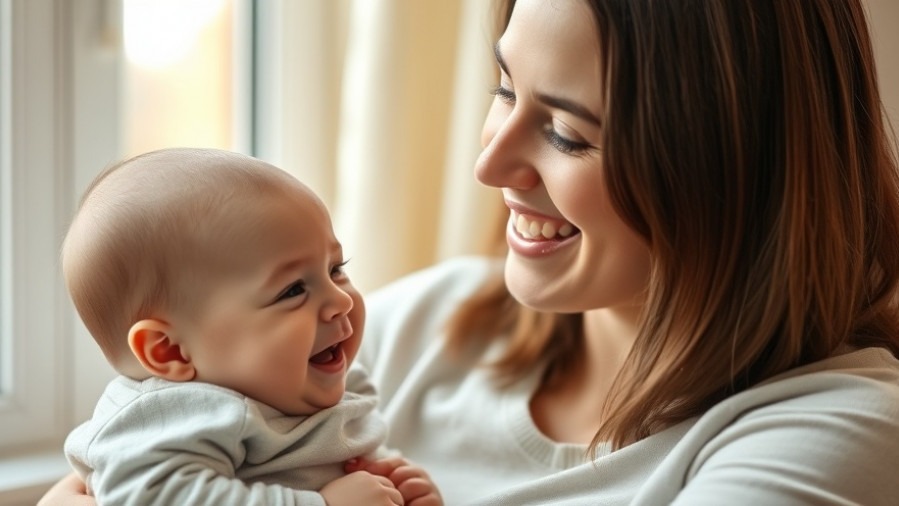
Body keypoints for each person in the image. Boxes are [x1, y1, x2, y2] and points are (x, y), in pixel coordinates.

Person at [42, 0, 899, 504]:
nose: (488, 162)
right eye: (502, 88)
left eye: (567, 133)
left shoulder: (832, 432)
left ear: (729, 167)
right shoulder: (419, 326)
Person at [57, 147, 441, 506]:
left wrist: (391, 475)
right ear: (169, 351)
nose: (341, 300)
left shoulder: (312, 385)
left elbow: (340, 452)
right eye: (293, 290)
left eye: (335, 269)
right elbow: (154, 497)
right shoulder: (175, 415)